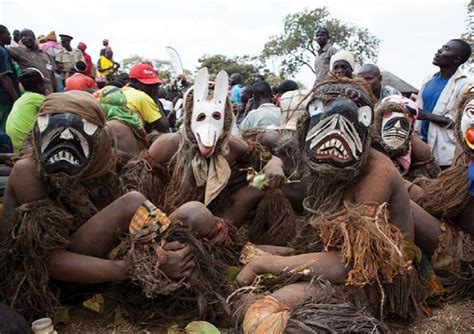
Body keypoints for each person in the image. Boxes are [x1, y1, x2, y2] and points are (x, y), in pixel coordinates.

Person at [0, 91, 229, 322]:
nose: (65, 142)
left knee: (193, 214)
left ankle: (208, 291)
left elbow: (150, 203)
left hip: (104, 265)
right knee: (132, 202)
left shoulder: (103, 158)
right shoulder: (28, 171)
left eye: (77, 135)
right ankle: (210, 299)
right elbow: (48, 261)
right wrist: (141, 267)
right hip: (56, 284)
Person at [237, 78, 433, 331]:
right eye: (322, 114)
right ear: (307, 126)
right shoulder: (317, 157)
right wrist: (273, 162)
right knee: (249, 253)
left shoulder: (376, 173)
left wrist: (266, 265)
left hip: (376, 278)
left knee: (265, 311)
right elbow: (273, 148)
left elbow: (352, 264)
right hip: (337, 260)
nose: (336, 132)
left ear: (365, 132)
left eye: (352, 121)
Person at [416, 39, 472, 168]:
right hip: (421, 148)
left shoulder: (465, 85)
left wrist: (425, 115)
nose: (439, 51)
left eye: (446, 49)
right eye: (442, 47)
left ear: (457, 60)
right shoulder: (428, 80)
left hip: (446, 154)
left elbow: (461, 124)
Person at [371, 95, 440, 180]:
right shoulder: (369, 143)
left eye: (404, 124)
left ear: (411, 127)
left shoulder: (419, 149)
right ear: (379, 122)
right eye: (390, 123)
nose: (397, 127)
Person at [6, 68, 46, 153]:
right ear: (40, 85)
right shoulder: (37, 98)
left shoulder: (21, 99)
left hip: (14, 146)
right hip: (26, 147)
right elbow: (55, 109)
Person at [122, 63, 169, 133]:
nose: (154, 88)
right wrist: (155, 98)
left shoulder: (121, 91)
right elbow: (164, 127)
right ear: (140, 84)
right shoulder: (142, 97)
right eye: (152, 85)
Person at [8, 29, 56, 94]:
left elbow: (52, 74)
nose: (24, 38)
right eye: (21, 37)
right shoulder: (19, 51)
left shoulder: (46, 55)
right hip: (33, 92)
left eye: (26, 36)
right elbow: (3, 48)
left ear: (33, 37)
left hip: (49, 91)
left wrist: (55, 91)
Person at [0, 25, 20, 134]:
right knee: (4, 128)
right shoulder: (2, 52)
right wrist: (16, 98)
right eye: (8, 34)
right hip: (4, 98)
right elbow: (4, 77)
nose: (10, 37)